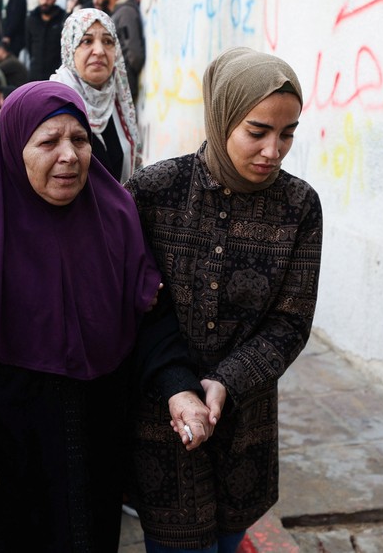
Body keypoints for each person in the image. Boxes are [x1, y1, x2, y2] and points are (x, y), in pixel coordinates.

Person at [0, 80, 162, 552]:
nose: (69, 156)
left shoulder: (116, 214)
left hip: (94, 441)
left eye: (79, 139)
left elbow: (147, 317)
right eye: (48, 141)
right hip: (0, 449)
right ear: (14, 147)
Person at [124, 47, 323, 552]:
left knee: (230, 539)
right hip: (162, 422)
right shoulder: (154, 190)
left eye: (287, 133)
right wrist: (178, 384)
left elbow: (290, 322)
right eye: (257, 131)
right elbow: (135, 305)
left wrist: (225, 382)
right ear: (221, 117)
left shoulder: (299, 206)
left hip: (245, 429)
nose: (273, 150)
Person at [52, 8, 140, 182]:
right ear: (69, 50)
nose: (99, 50)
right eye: (86, 41)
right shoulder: (54, 104)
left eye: (108, 41)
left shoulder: (117, 103)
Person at [111, 0, 145, 104]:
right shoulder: (119, 12)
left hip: (128, 87)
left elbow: (135, 55)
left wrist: (128, 77)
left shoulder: (125, 12)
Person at [25, 0, 66, 81]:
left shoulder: (62, 18)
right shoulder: (31, 18)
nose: (45, 2)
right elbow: (28, 43)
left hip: (55, 73)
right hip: (35, 72)